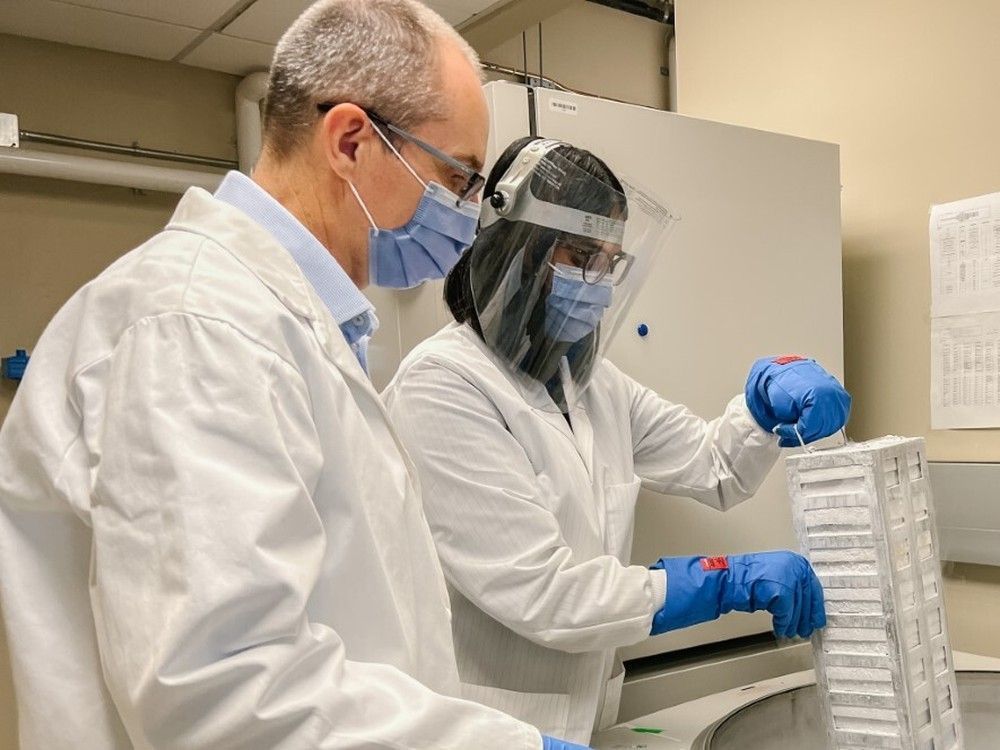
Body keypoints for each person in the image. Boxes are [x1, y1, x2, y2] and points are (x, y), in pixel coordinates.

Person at [0, 3, 585, 749]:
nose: (469, 217)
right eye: (457, 179)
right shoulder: (199, 324)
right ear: (350, 140)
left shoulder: (293, 326)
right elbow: (223, 692)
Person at [382, 137, 852, 744]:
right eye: (580, 255)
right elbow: (545, 593)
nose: (597, 282)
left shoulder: (591, 383)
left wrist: (761, 412)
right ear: (515, 253)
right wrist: (719, 580)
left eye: (610, 262)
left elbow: (713, 466)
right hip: (492, 724)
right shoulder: (443, 387)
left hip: (586, 714)